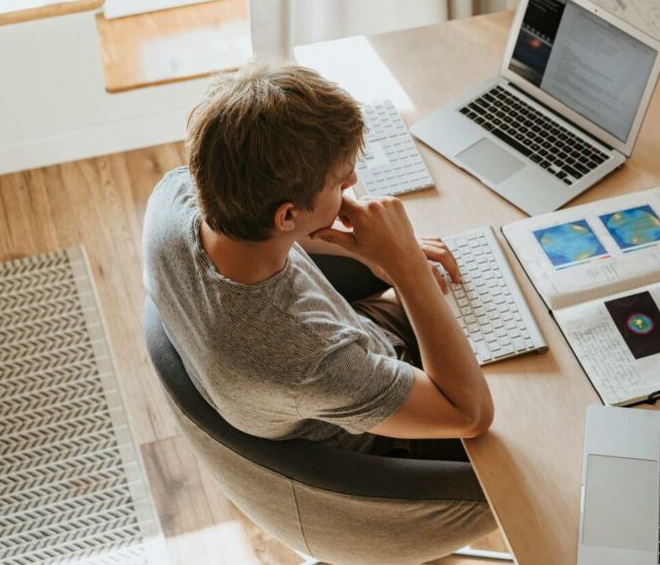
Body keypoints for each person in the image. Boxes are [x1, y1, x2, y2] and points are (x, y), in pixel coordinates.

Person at [141, 59, 496, 557]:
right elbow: (470, 414)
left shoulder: (173, 198)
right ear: (287, 214)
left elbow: (265, 229)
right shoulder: (305, 356)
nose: (352, 188)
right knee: (547, 404)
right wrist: (407, 267)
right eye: (342, 183)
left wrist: (362, 246)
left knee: (487, 292)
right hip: (384, 440)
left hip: (340, 354)